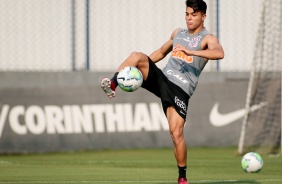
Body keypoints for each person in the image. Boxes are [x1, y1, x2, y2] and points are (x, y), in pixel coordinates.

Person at [101, 0, 224, 183]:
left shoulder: (208, 38)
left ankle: (182, 177)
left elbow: (219, 53)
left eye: (194, 14)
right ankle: (112, 83)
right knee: (137, 56)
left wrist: (192, 52)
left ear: (203, 16)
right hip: (163, 79)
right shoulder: (178, 33)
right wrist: (141, 69)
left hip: (181, 89)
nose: (189, 18)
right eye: (187, 14)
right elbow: (160, 53)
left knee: (176, 134)